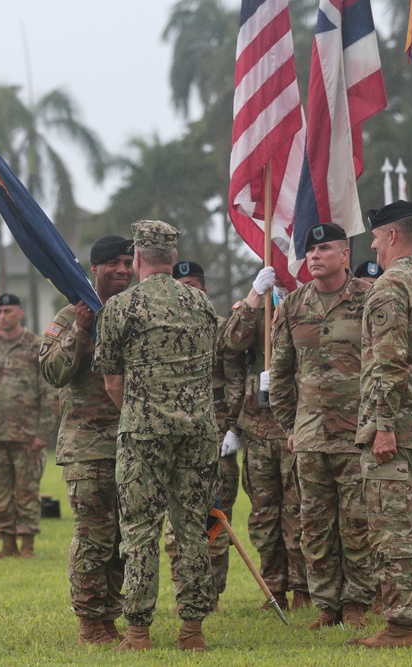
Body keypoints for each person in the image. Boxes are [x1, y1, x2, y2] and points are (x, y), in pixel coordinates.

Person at [92, 220, 218, 652]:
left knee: (140, 531)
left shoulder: (121, 308)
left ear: (140, 258)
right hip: (198, 432)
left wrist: (136, 413)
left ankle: (139, 633)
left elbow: (112, 380)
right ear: (172, 258)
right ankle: (192, 631)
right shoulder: (201, 305)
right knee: (192, 530)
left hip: (143, 433)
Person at [349, 201, 412, 649]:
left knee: (393, 530)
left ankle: (402, 626)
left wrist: (383, 424)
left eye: (375, 236)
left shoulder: (390, 287)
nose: (371, 243)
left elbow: (389, 364)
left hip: (399, 427)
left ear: (391, 236)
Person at [269, 222, 375, 630]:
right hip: (310, 435)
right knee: (314, 526)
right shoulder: (294, 305)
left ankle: (357, 604)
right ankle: (326, 605)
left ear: (345, 254)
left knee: (357, 523)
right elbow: (280, 374)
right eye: (310, 251)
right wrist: (290, 425)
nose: (315, 256)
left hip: (356, 433)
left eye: (325, 249)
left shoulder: (369, 299)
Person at [38, 236, 133, 645]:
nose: (122, 270)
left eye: (129, 262)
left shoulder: (135, 314)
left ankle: (112, 614)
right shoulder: (69, 316)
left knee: (125, 540)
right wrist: (80, 328)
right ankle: (91, 620)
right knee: (95, 536)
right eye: (113, 262)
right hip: (89, 448)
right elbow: (52, 372)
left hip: (134, 443)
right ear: (93, 269)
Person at [223, 266, 310, 612]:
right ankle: (273, 586)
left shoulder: (308, 305)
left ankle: (303, 587)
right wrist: (254, 298)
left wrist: (289, 377)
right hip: (259, 428)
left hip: (298, 425)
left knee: (300, 509)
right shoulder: (257, 310)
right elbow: (230, 344)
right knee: (264, 513)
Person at [163, 260, 245, 610]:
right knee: (175, 524)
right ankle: (186, 591)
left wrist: (235, 428)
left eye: (192, 284)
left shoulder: (221, 328)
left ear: (204, 290)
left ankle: (210, 595)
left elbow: (236, 380)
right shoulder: (162, 330)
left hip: (216, 439)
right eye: (179, 285)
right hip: (173, 439)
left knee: (214, 518)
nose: (186, 291)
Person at [0, 293, 57, 559]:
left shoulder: (36, 347)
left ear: (20, 313)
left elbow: (49, 393)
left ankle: (27, 543)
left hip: (27, 434)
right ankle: (7, 541)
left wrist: (43, 433)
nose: (2, 316)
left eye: (8, 311)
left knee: (27, 490)